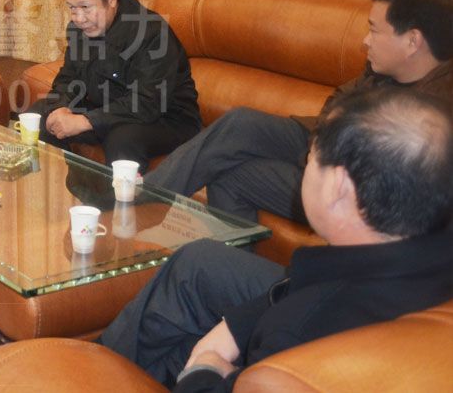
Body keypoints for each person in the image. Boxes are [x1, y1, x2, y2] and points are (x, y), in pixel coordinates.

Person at [100, 87, 453, 391]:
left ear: (339, 187)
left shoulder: (292, 334)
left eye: (311, 157)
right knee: (200, 262)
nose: (305, 165)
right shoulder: (431, 255)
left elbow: (294, 322)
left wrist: (206, 370)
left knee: (181, 349)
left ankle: (93, 372)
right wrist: (237, 326)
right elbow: (303, 286)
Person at [145, 0, 453, 224]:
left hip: (346, 190)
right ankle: (140, 201)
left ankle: (149, 214)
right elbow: (339, 99)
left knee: (228, 173)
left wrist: (320, 155)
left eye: (374, 30)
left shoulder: (436, 114)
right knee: (241, 122)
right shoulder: (382, 67)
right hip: (319, 140)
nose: (365, 40)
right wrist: (321, 139)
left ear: (412, 41)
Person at [30, 0, 201, 170]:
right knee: (42, 116)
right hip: (108, 109)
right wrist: (60, 108)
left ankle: (123, 193)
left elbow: (147, 102)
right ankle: (56, 185)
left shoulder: (151, 32)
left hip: (166, 118)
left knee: (122, 139)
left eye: (86, 7)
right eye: (72, 8)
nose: (79, 18)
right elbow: (68, 78)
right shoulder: (78, 30)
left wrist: (86, 121)